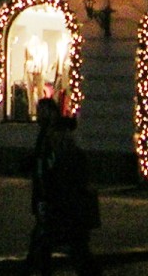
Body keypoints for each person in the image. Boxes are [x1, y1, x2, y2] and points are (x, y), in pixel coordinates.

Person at [22, 98, 101, 276]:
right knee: (45, 246)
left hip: (68, 212)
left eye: (56, 135)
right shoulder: (48, 145)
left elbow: (75, 184)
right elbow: (42, 170)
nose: (53, 138)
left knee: (76, 251)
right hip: (55, 208)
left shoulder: (72, 156)